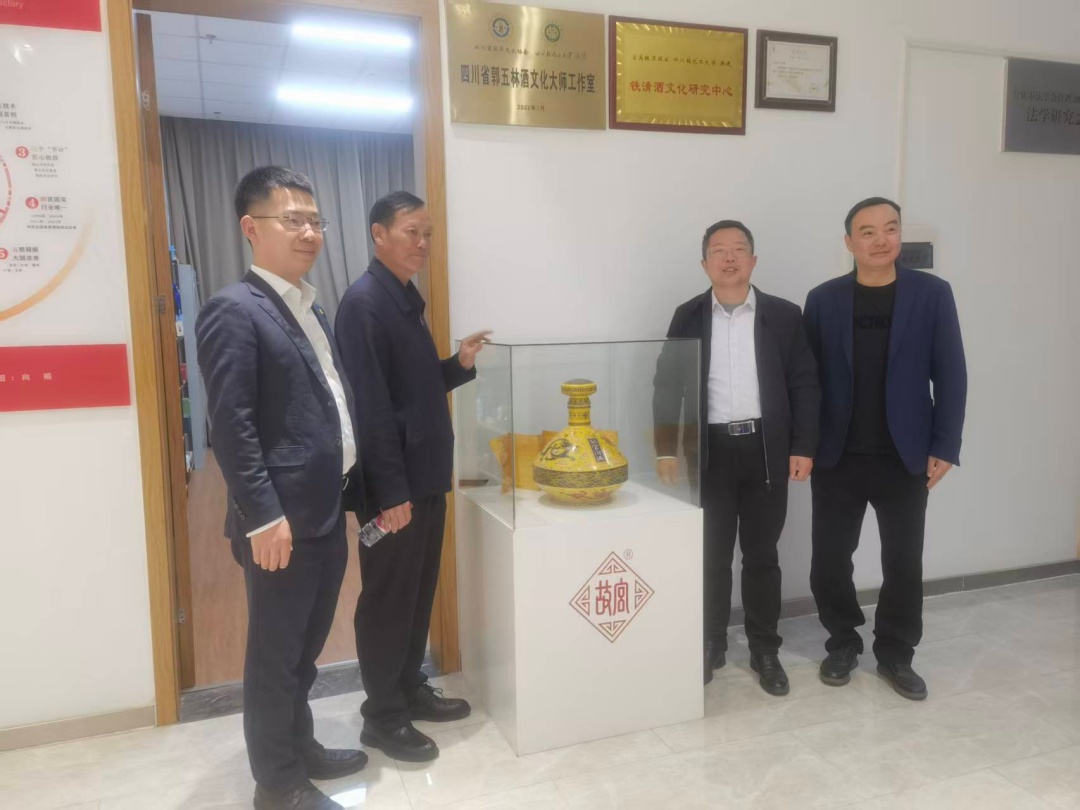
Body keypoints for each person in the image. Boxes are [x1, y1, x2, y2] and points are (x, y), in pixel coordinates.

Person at [196, 166, 366, 810]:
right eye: (292, 219)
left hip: (322, 508)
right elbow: (231, 426)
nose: (309, 232)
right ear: (251, 228)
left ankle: (300, 747)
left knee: (305, 647)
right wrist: (263, 516)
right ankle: (278, 783)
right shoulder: (234, 310)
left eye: (316, 221)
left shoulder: (308, 303)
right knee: (276, 654)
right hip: (280, 523)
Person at [335, 191, 489, 762]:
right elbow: (370, 408)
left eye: (427, 234)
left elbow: (413, 390)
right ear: (379, 235)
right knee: (388, 599)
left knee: (418, 592)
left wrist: (458, 365)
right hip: (393, 489)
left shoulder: (402, 297)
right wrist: (390, 493)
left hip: (424, 478)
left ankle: (407, 687)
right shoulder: (364, 303)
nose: (422, 244)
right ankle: (382, 717)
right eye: (410, 232)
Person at [803, 197, 967, 700]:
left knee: (903, 562)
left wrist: (946, 444)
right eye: (868, 231)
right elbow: (807, 381)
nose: (881, 240)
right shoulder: (824, 299)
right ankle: (843, 641)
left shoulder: (932, 294)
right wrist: (803, 445)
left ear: (900, 235)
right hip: (837, 456)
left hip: (905, 455)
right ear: (849, 241)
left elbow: (952, 372)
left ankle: (896, 653)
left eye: (890, 228)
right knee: (830, 560)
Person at [654, 220, 820, 695]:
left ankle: (765, 648)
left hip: (767, 451)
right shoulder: (688, 315)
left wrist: (803, 446)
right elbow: (667, 383)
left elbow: (804, 383)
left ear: (753, 260)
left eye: (739, 249)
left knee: (762, 556)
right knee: (712, 555)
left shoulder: (783, 315)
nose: (729, 258)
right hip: (710, 451)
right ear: (704, 262)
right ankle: (711, 642)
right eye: (719, 250)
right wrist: (665, 447)